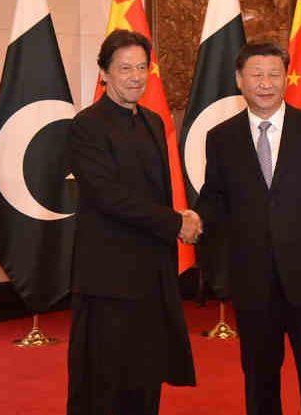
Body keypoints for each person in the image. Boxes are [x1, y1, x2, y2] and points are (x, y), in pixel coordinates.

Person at [195, 41, 301, 415]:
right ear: (239, 80)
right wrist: (192, 219)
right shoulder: (221, 138)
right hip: (253, 281)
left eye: (273, 74)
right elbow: (215, 196)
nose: (265, 83)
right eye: (256, 75)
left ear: (286, 79)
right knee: (259, 377)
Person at [67, 29, 200, 415]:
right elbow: (107, 196)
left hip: (152, 275)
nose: (135, 77)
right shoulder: (86, 125)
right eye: (124, 68)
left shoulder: (154, 122)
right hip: (108, 278)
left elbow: (156, 193)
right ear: (104, 74)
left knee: (145, 377)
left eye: (142, 67)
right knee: (104, 382)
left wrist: (179, 217)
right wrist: (174, 222)